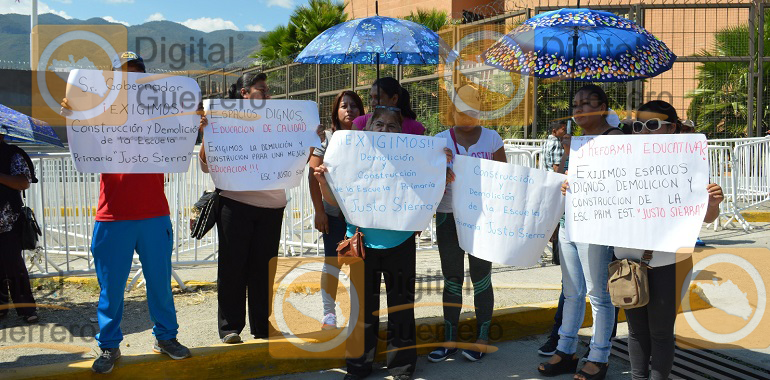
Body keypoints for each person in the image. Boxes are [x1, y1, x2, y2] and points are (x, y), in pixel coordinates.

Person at [62, 51, 191, 374]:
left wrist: (194, 122)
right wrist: (73, 113)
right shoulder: (99, 111)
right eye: (120, 76)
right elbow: (82, 142)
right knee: (111, 288)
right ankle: (109, 346)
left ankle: (166, 337)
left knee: (159, 283)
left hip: (153, 214)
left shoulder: (159, 114)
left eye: (134, 75)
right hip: (112, 216)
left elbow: (181, 139)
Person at [313, 106, 451, 380]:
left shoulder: (412, 159)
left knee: (401, 307)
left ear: (400, 131)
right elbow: (334, 202)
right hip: (361, 243)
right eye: (379, 124)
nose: (385, 130)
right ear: (369, 128)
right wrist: (322, 182)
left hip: (400, 242)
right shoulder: (352, 157)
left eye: (391, 126)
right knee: (362, 308)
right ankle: (359, 366)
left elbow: (429, 191)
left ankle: (401, 367)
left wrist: (439, 165)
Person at [616, 100, 723, 380]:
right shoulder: (618, 162)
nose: (643, 132)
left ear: (671, 127)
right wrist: (575, 190)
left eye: (652, 125)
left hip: (669, 259)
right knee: (636, 331)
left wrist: (712, 203)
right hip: (627, 260)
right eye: (637, 126)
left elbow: (707, 218)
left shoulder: (688, 165)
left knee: (661, 331)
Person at [538, 84, 623, 380]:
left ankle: (599, 356)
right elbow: (564, 174)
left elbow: (620, 182)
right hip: (568, 224)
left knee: (598, 294)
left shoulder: (615, 139)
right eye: (575, 104)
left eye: (587, 103)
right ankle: (565, 350)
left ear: (603, 106)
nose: (579, 109)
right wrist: (562, 179)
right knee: (572, 292)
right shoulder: (576, 141)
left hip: (596, 225)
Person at [198, 72, 286, 344]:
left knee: (264, 269)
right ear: (245, 93)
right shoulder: (223, 120)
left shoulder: (279, 121)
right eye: (262, 90)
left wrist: (309, 137)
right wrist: (207, 135)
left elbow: (295, 157)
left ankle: (263, 326)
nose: (268, 95)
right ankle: (230, 328)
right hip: (234, 204)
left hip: (272, 205)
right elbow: (205, 165)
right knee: (232, 267)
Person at [427, 84, 506, 363]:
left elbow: (503, 180)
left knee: (482, 277)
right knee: (452, 279)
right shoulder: (439, 140)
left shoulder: (492, 139)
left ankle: (481, 338)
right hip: (448, 217)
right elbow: (428, 183)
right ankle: (449, 340)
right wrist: (441, 168)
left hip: (481, 219)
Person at [308, 90, 365, 329]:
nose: (349, 110)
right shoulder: (327, 139)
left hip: (363, 215)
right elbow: (313, 175)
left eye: (354, 106)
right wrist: (319, 211)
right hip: (333, 215)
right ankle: (329, 314)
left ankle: (359, 313)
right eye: (344, 106)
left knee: (359, 266)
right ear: (336, 111)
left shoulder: (370, 137)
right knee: (332, 263)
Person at [0, 130, 38, 324]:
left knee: (14, 266)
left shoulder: (12, 154)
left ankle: (26, 309)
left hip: (7, 222)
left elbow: (24, 182)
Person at [353, 77, 425, 135]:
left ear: (394, 99)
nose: (372, 102)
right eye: (371, 97)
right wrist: (366, 133)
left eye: (377, 97)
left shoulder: (415, 128)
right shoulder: (360, 122)